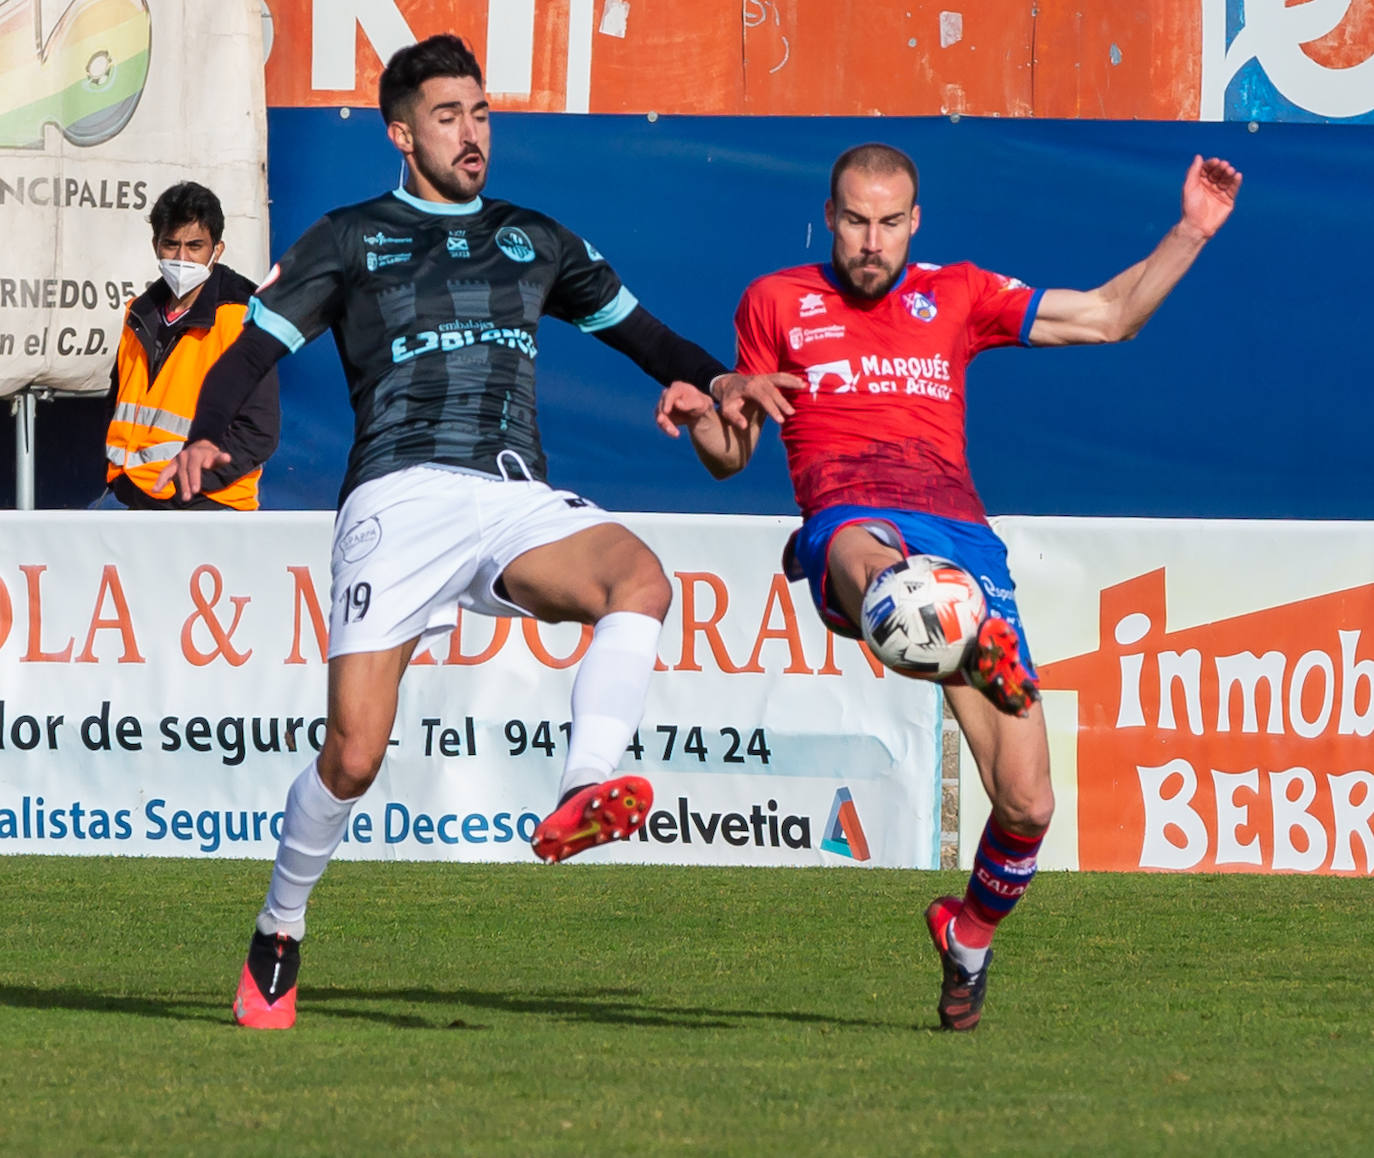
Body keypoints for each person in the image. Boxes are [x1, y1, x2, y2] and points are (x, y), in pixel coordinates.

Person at [154, 34, 793, 1030]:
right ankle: (281, 927)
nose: (472, 133)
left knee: (640, 576)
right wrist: (205, 436)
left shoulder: (535, 239)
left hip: (509, 493)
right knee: (355, 757)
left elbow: (647, 337)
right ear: (401, 133)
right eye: (449, 115)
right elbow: (246, 354)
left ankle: (588, 781)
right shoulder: (348, 239)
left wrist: (716, 381)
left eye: (482, 112)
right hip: (395, 500)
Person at [657, 143, 1241, 1030]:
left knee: (1029, 802)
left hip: (962, 538)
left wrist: (1192, 230)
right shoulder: (775, 301)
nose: (871, 241)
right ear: (828, 214)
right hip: (852, 521)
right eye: (855, 220)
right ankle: (955, 631)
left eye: (889, 223)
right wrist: (711, 411)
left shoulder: (958, 292)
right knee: (871, 567)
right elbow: (729, 459)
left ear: (915, 222)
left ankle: (965, 937)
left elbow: (1111, 317)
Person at [103, 182, 279, 510]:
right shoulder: (138, 314)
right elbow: (117, 405)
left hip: (207, 506)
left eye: (195, 245)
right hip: (139, 498)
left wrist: (191, 483)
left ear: (217, 249)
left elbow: (259, 431)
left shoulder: (243, 318)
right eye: (171, 245)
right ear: (155, 245)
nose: (182, 258)